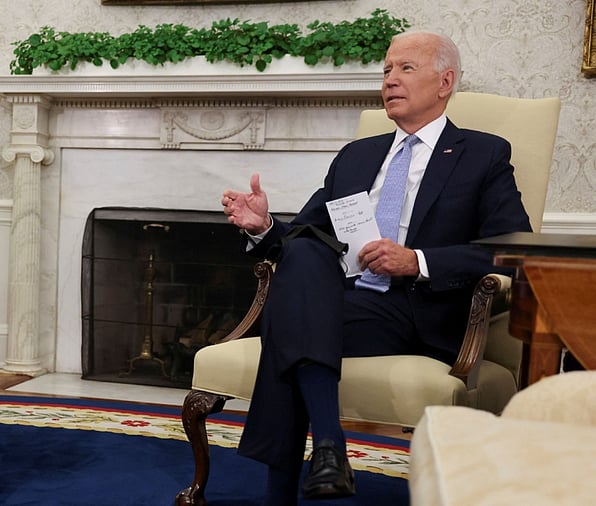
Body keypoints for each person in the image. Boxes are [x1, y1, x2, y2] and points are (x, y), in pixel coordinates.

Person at [221, 31, 531, 504]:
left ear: (445, 82)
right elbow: (301, 239)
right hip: (346, 300)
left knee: (289, 322)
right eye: (386, 70)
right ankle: (329, 449)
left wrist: (417, 261)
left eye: (405, 68)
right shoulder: (357, 155)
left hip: (420, 309)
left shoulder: (483, 154)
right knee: (304, 255)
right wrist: (264, 226)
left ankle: (287, 488)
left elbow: (513, 249)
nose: (389, 80)